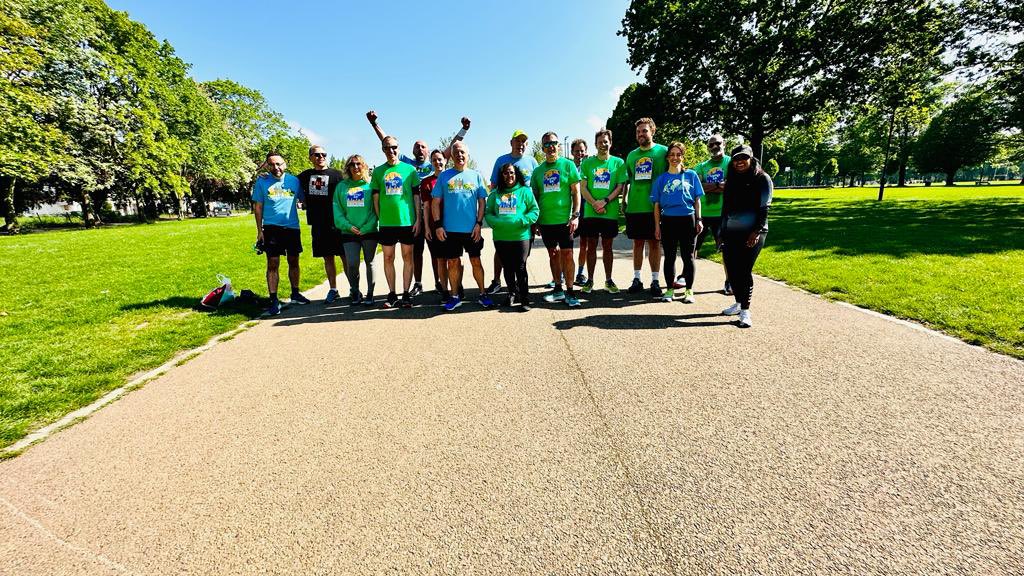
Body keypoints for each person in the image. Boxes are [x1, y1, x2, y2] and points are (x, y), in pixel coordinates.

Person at [366, 111, 470, 297]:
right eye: (416, 146)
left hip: (432, 215)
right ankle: (418, 283)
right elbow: (387, 143)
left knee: (436, 253)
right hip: (413, 215)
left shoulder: (434, 165)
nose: (419, 149)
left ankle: (439, 282)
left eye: (423, 147)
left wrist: (463, 130)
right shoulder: (406, 164)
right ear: (412, 151)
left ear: (428, 152)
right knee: (416, 252)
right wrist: (375, 125)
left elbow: (452, 147)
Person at [432, 141, 492, 311]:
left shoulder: (476, 176)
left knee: (476, 261)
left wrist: (479, 224)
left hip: (471, 230)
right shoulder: (444, 176)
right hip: (449, 231)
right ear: (451, 156)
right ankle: (455, 296)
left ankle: (482, 294)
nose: (459, 155)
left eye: (462, 152)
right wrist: (438, 225)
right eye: (456, 152)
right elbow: (435, 202)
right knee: (453, 263)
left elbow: (482, 202)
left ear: (467, 155)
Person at [720, 145, 773, 328]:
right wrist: (721, 233)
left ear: (751, 159)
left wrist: (756, 231)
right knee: (732, 270)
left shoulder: (762, 179)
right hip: (732, 231)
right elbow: (725, 209)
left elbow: (764, 207)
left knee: (743, 270)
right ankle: (738, 302)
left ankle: (745, 311)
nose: (740, 162)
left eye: (744, 158)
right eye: (736, 159)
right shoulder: (732, 180)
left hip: (754, 232)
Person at [531, 132, 582, 307]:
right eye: (546, 144)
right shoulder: (538, 171)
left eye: (554, 143)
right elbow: (535, 198)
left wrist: (575, 216)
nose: (550, 147)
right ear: (542, 148)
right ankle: (558, 289)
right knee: (553, 254)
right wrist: (535, 222)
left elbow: (576, 192)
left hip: (565, 221)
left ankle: (570, 291)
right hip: (546, 222)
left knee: (568, 254)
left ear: (558, 145)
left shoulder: (568, 165)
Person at [252, 151, 307, 316]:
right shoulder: (262, 182)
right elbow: (258, 207)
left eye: (279, 164)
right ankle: (274, 299)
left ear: (285, 164)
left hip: (292, 227)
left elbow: (304, 201)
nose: (276, 167)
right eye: (272, 164)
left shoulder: (294, 181)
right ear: (267, 166)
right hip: (271, 228)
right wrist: (259, 231)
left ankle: (295, 293)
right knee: (273, 263)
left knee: (294, 261)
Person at [370, 135, 421, 309]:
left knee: (408, 257)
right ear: (383, 150)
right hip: (387, 224)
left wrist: (418, 219)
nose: (391, 151)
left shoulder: (410, 170)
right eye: (387, 148)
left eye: (394, 147)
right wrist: (380, 218)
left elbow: (416, 197)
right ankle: (392, 294)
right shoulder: (378, 172)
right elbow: (375, 199)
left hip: (407, 222)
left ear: (398, 148)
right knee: (388, 257)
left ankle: (406, 294)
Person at [486, 130, 539, 295]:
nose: (520, 144)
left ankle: (517, 287)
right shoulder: (501, 160)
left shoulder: (532, 161)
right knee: (502, 254)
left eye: (523, 141)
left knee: (523, 255)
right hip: (503, 218)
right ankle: (497, 281)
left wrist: (530, 220)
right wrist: (497, 214)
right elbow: (494, 185)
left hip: (524, 214)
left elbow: (536, 188)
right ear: (511, 142)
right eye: (517, 141)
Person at [651, 141, 704, 303]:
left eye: (678, 154)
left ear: (682, 157)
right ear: (667, 157)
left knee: (688, 257)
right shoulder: (661, 179)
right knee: (670, 257)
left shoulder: (691, 175)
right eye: (672, 155)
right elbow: (656, 205)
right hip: (668, 221)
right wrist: (657, 226)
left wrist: (699, 219)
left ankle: (689, 290)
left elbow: (697, 200)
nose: (675, 158)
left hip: (688, 219)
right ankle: (669, 290)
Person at [623, 117, 669, 297]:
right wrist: (625, 201)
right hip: (635, 207)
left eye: (644, 131)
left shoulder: (663, 152)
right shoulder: (632, 155)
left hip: (655, 207)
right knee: (637, 244)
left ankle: (655, 281)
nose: (641, 134)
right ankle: (637, 279)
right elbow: (627, 180)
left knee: (655, 243)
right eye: (638, 132)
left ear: (652, 131)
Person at [578, 128, 627, 293]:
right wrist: (594, 203)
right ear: (595, 144)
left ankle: (608, 280)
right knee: (590, 246)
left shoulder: (618, 163)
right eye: (600, 142)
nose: (603, 145)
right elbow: (583, 187)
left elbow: (620, 186)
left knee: (608, 247)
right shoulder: (587, 163)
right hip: (591, 212)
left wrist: (605, 201)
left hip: (609, 212)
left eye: (606, 142)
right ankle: (589, 280)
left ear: (610, 143)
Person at [297, 145, 346, 303]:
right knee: (328, 258)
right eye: (316, 155)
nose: (320, 157)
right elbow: (284, 179)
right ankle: (333, 289)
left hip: (338, 222)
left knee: (346, 256)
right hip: (318, 223)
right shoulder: (305, 176)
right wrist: (265, 175)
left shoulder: (337, 175)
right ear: (310, 157)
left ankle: (354, 288)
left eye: (323, 154)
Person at [688, 134, 731, 294]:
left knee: (726, 249)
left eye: (717, 143)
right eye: (710, 145)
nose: (714, 147)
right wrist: (719, 185)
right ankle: (686, 275)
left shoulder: (731, 163)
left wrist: (709, 185)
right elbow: (697, 187)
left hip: (723, 213)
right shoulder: (701, 166)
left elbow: (732, 185)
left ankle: (729, 281)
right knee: (692, 247)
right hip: (702, 213)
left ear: (724, 144)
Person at [333, 155, 378, 306]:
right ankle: (355, 291)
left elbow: (376, 210)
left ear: (364, 166)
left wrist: (366, 227)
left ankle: (370, 293)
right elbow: (337, 209)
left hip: (368, 231)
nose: (356, 167)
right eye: (352, 164)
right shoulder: (342, 187)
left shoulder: (370, 185)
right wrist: (347, 225)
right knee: (352, 263)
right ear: (348, 167)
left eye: (359, 164)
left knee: (369, 262)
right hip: (349, 232)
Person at [419, 149, 455, 303]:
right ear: (431, 163)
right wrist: (427, 227)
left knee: (455, 259)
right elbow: (426, 207)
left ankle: (457, 286)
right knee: (440, 259)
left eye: (440, 159)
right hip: (435, 227)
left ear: (445, 160)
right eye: (434, 160)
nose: (437, 162)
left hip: (454, 225)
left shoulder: (454, 178)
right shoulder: (426, 182)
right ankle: (445, 290)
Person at [570, 138, 590, 287]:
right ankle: (564, 273)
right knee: (566, 245)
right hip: (568, 211)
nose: (580, 153)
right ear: (572, 152)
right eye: (577, 151)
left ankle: (580, 273)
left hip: (585, 209)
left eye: (582, 151)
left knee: (584, 244)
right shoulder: (567, 166)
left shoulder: (589, 167)